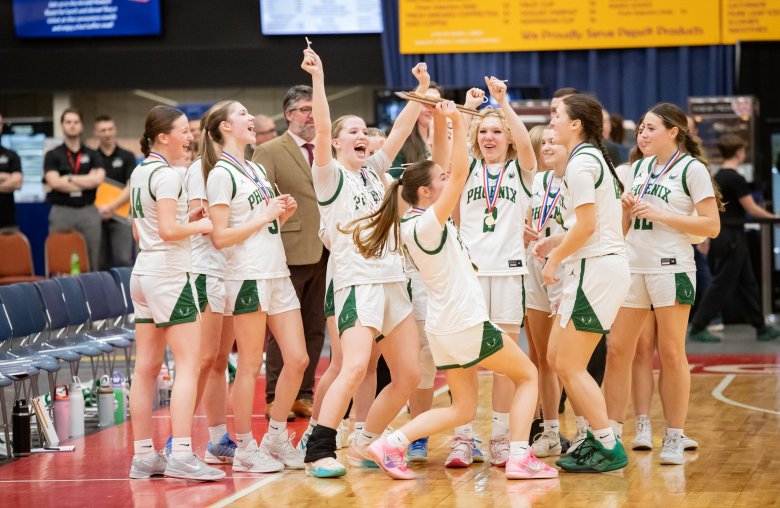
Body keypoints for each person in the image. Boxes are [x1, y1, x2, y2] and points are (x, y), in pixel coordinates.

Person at [353, 100, 554, 481]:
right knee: (528, 375)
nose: (449, 183)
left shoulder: (413, 224)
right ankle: (519, 456)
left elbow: (450, 170)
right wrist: (459, 124)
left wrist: (450, 121)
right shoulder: (428, 225)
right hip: (464, 321)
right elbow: (460, 170)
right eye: (440, 182)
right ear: (426, 194)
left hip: (444, 326)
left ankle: (389, 442)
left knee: (462, 409)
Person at [300, 47, 423, 478]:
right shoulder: (330, 176)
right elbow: (319, 123)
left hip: (394, 281)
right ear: (335, 143)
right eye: (350, 131)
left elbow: (401, 130)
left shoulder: (375, 172)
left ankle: (365, 441)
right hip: (357, 283)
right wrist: (318, 79)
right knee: (353, 366)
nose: (360, 136)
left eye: (363, 132)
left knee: (408, 374)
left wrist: (421, 93)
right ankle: (318, 448)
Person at [603, 103, 722, 465]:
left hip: (671, 267)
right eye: (640, 128)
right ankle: (609, 436)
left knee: (671, 352)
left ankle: (674, 434)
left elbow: (711, 227)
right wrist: (624, 210)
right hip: (632, 267)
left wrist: (661, 214)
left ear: (674, 131)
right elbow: (621, 229)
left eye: (651, 127)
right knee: (618, 350)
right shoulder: (635, 169)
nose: (642, 134)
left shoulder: (693, 170)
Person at [203, 100, 309, 472]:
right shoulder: (220, 174)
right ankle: (245, 446)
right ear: (225, 127)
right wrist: (262, 215)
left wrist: (279, 214)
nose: (251, 118)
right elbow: (219, 237)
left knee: (298, 358)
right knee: (249, 364)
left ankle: (276, 435)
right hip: (246, 276)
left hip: (276, 271)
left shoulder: (257, 168)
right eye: (243, 114)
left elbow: (257, 220)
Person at [533, 93, 629, 473]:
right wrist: (555, 241)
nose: (551, 119)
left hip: (596, 269)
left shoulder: (580, 163)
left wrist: (553, 259)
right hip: (591, 266)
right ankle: (596, 437)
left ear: (575, 124)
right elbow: (588, 223)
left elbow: (590, 227)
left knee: (570, 364)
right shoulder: (586, 158)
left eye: (556, 114)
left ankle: (607, 444)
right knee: (558, 358)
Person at [127, 105, 223, 481]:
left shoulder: (139, 172)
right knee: (188, 364)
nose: (190, 135)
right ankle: (182, 453)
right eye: (183, 130)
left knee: (146, 368)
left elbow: (143, 231)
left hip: (143, 273)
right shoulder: (167, 175)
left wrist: (187, 223)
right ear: (163, 136)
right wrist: (202, 227)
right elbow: (168, 230)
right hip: (168, 273)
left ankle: (143, 456)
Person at [451, 79, 535, 469]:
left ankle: (501, 436)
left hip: (508, 273)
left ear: (508, 138)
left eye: (497, 131)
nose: (490, 137)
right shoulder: (465, 169)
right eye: (483, 131)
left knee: (505, 361)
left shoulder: (521, 170)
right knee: (464, 358)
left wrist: (503, 102)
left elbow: (527, 143)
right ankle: (462, 438)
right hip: (468, 276)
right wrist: (469, 111)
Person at [252, 85, 326, 420]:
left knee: (314, 327)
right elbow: (260, 201)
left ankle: (304, 394)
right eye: (305, 109)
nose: (311, 115)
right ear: (289, 114)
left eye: (315, 109)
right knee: (282, 330)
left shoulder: (327, 148)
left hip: (327, 249)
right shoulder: (269, 151)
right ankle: (273, 395)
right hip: (289, 249)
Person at [183, 104, 239, 467]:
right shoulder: (198, 171)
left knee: (221, 360)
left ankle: (218, 438)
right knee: (203, 360)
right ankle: (179, 439)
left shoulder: (240, 170)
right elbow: (196, 217)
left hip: (233, 269)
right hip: (205, 269)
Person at [688, 134, 780, 342]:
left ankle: (760, 326)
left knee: (747, 282)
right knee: (722, 283)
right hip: (732, 238)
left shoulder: (719, 176)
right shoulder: (735, 178)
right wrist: (775, 218)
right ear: (739, 152)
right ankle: (699, 326)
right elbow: (752, 208)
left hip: (726, 235)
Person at [524, 126, 567, 458]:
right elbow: (526, 222)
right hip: (533, 267)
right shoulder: (535, 182)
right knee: (540, 358)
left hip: (565, 268)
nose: (548, 147)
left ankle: (588, 431)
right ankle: (549, 430)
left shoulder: (577, 179)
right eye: (545, 143)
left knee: (563, 359)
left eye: (554, 141)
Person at [43, 108, 106, 269]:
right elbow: (55, 183)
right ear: (62, 125)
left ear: (82, 126)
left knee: (93, 260)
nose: (72, 126)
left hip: (88, 211)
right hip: (62, 211)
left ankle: (92, 293)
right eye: (68, 122)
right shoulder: (52, 155)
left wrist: (69, 178)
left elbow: (98, 179)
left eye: (76, 122)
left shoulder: (93, 154)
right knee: (60, 258)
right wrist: (87, 180)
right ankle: (60, 294)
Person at [94, 115, 136, 269]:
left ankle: (126, 293)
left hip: (121, 216)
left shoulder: (127, 156)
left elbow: (131, 185)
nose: (107, 133)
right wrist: (101, 210)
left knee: (124, 260)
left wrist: (111, 207)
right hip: (97, 216)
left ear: (115, 130)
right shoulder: (92, 157)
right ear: (96, 133)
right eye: (103, 130)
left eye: (110, 129)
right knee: (99, 263)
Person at [0, 113, 23, 229]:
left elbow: (17, 183)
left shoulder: (11, 155)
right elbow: (12, 180)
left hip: (7, 221)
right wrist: (5, 176)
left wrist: (12, 180)